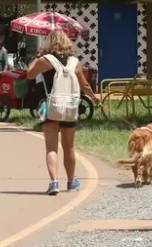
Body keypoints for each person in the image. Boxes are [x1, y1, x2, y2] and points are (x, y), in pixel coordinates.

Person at [26, 29, 99, 196]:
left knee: (51, 148)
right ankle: (71, 181)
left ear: (48, 43)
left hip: (48, 107)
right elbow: (85, 86)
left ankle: (54, 183)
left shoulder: (44, 60)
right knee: (69, 147)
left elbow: (29, 74)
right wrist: (94, 98)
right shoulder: (75, 62)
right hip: (70, 108)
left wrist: (37, 56)